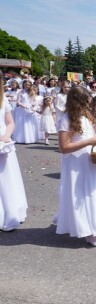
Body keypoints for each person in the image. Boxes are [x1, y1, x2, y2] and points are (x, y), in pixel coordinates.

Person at [54, 87, 96, 247]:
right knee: (78, 195)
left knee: (90, 195)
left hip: (88, 162)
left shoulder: (86, 116)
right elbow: (64, 147)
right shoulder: (67, 119)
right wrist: (88, 142)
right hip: (75, 164)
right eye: (86, 102)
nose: (89, 105)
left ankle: (90, 228)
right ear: (77, 102)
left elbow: (91, 137)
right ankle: (88, 231)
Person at [0, 70, 28, 232]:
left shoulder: (3, 100)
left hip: (3, 144)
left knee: (6, 181)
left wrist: (6, 136)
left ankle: (9, 214)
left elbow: (10, 122)